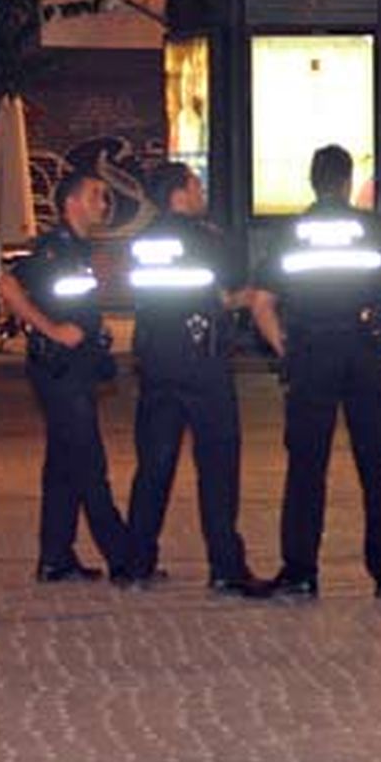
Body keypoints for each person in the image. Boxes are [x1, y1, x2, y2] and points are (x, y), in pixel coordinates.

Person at [251, 145, 381, 600]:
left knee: (306, 469)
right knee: (375, 467)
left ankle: (300, 571)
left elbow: (261, 304)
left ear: (313, 182)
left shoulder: (291, 232)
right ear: (345, 181)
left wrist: (285, 348)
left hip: (312, 356)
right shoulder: (373, 228)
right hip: (364, 354)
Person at [125, 163, 271, 597]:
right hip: (201, 361)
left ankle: (137, 563)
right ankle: (226, 566)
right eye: (194, 184)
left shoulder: (141, 243)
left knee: (153, 465)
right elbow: (226, 296)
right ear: (179, 194)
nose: (201, 189)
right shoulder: (208, 240)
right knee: (217, 467)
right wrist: (251, 299)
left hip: (155, 360)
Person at [0, 170, 133, 584]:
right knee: (89, 464)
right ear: (72, 203)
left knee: (63, 465)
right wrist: (50, 328)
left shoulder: (77, 249)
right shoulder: (55, 249)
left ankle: (55, 557)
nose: (104, 203)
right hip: (59, 371)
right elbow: (7, 285)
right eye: (97, 195)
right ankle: (126, 558)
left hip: (75, 369)